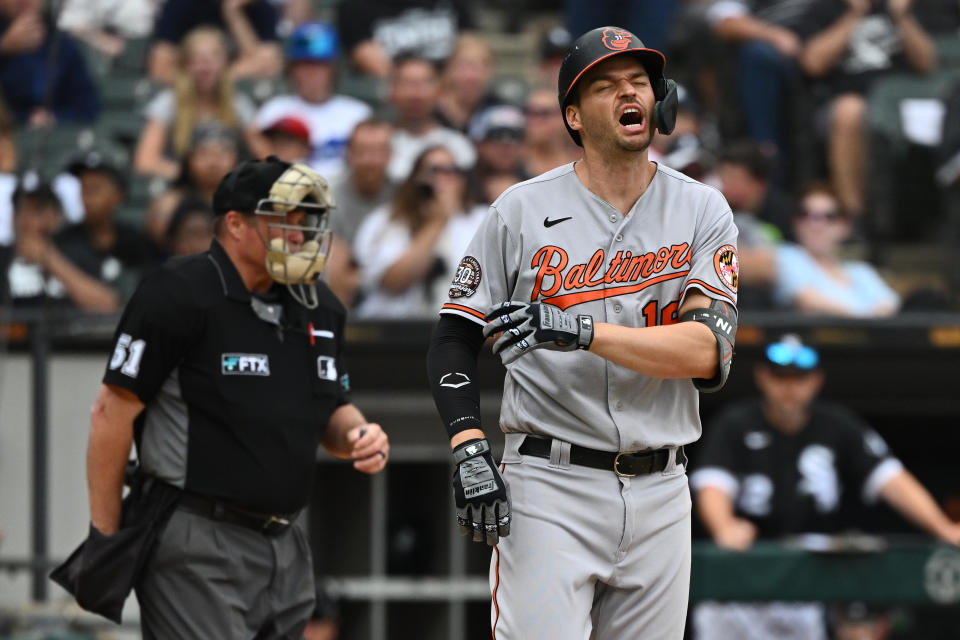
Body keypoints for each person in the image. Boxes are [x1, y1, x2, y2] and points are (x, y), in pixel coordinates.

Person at [426, 26, 740, 639]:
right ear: (573, 114)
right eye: (608, 85)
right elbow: (454, 337)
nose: (631, 93)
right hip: (550, 482)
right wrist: (467, 444)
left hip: (662, 486)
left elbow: (706, 350)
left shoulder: (703, 209)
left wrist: (580, 330)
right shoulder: (519, 209)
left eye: (640, 82)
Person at [81, 157, 390, 637]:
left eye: (306, 220)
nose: (299, 233)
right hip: (197, 536)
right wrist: (105, 532)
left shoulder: (320, 305)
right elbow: (111, 411)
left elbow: (332, 409)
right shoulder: (180, 291)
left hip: (287, 540)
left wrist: (359, 435)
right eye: (284, 219)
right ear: (236, 223)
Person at [690, 334, 960, 640]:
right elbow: (712, 485)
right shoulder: (734, 423)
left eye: (799, 378)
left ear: (816, 381)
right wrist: (724, 526)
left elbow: (891, 480)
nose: (789, 388)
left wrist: (943, 528)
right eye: (780, 377)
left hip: (806, 589)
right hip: (738, 583)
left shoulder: (837, 425)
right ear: (762, 377)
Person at [794, 0, 946, 218]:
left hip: (900, 102)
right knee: (850, 111)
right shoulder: (827, 8)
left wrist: (902, 18)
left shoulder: (904, 7)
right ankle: (856, 216)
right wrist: (854, 16)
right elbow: (812, 62)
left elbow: (927, 63)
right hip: (847, 102)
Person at [352, 145, 484, 319]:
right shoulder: (387, 220)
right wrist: (438, 222)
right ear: (416, 177)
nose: (443, 179)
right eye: (435, 170)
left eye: (452, 171)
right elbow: (394, 281)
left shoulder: (482, 219)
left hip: (459, 330)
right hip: (394, 328)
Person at [134, 26, 264, 180]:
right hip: (184, 186)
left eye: (213, 57)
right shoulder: (168, 102)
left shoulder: (238, 103)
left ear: (226, 64)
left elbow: (265, 157)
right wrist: (193, 176)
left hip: (229, 185)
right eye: (196, 59)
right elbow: (145, 162)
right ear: (185, 66)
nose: (205, 66)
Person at [254, 22, 372, 177]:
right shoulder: (275, 110)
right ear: (292, 70)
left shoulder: (357, 112)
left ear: (333, 69)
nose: (310, 73)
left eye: (318, 65)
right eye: (303, 65)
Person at [773, 183, 899, 316]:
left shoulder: (861, 271)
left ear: (846, 226)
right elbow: (808, 301)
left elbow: (891, 306)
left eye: (829, 216)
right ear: (795, 222)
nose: (816, 225)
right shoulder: (787, 256)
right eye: (805, 215)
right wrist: (866, 321)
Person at [55, 151, 159, 305]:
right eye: (84, 189)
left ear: (118, 196)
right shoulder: (64, 241)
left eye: (95, 189)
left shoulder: (138, 243)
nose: (87, 198)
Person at [1, 175, 118, 310]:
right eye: (21, 209)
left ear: (56, 216)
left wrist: (50, 259)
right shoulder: (3, 256)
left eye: (37, 210)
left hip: (66, 329)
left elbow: (108, 305)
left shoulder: (77, 252)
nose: (27, 217)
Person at [325, 119, 394, 307]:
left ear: (390, 155)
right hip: (345, 280)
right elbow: (330, 255)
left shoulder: (402, 195)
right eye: (362, 152)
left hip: (394, 278)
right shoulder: (329, 195)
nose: (371, 161)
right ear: (348, 155)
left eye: (378, 152)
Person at [0, 0, 99, 126]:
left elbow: (87, 108)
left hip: (52, 137)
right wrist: (4, 48)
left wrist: (54, 118)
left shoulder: (60, 44)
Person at [146, 122, 241, 251]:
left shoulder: (248, 203)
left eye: (222, 154)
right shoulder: (170, 204)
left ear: (236, 159)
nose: (213, 162)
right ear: (189, 160)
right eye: (204, 154)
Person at [386, 54, 475, 183]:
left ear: (439, 91)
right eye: (407, 83)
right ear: (392, 92)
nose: (416, 94)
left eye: (424, 83)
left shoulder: (458, 145)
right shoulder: (378, 143)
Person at [148, 0, 282, 83]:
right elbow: (159, 68)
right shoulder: (180, 5)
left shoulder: (261, 7)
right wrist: (200, 82)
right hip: (186, 98)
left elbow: (269, 66)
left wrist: (233, 12)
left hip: (239, 96)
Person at [336, 0, 475, 78]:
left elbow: (471, 47)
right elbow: (368, 59)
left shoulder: (454, 3)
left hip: (448, 91)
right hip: (393, 96)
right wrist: (417, 86)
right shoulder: (356, 6)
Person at [435, 34, 498, 133]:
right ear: (449, 69)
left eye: (478, 68)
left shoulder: (498, 109)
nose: (471, 76)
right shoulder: (430, 109)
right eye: (464, 67)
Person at [467, 104, 526, 204]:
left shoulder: (534, 181)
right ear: (480, 145)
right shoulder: (464, 185)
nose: (505, 148)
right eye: (496, 138)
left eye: (514, 137)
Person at [519, 85, 581, 179]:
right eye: (530, 113)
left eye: (544, 113)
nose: (536, 120)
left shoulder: (582, 161)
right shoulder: (511, 162)